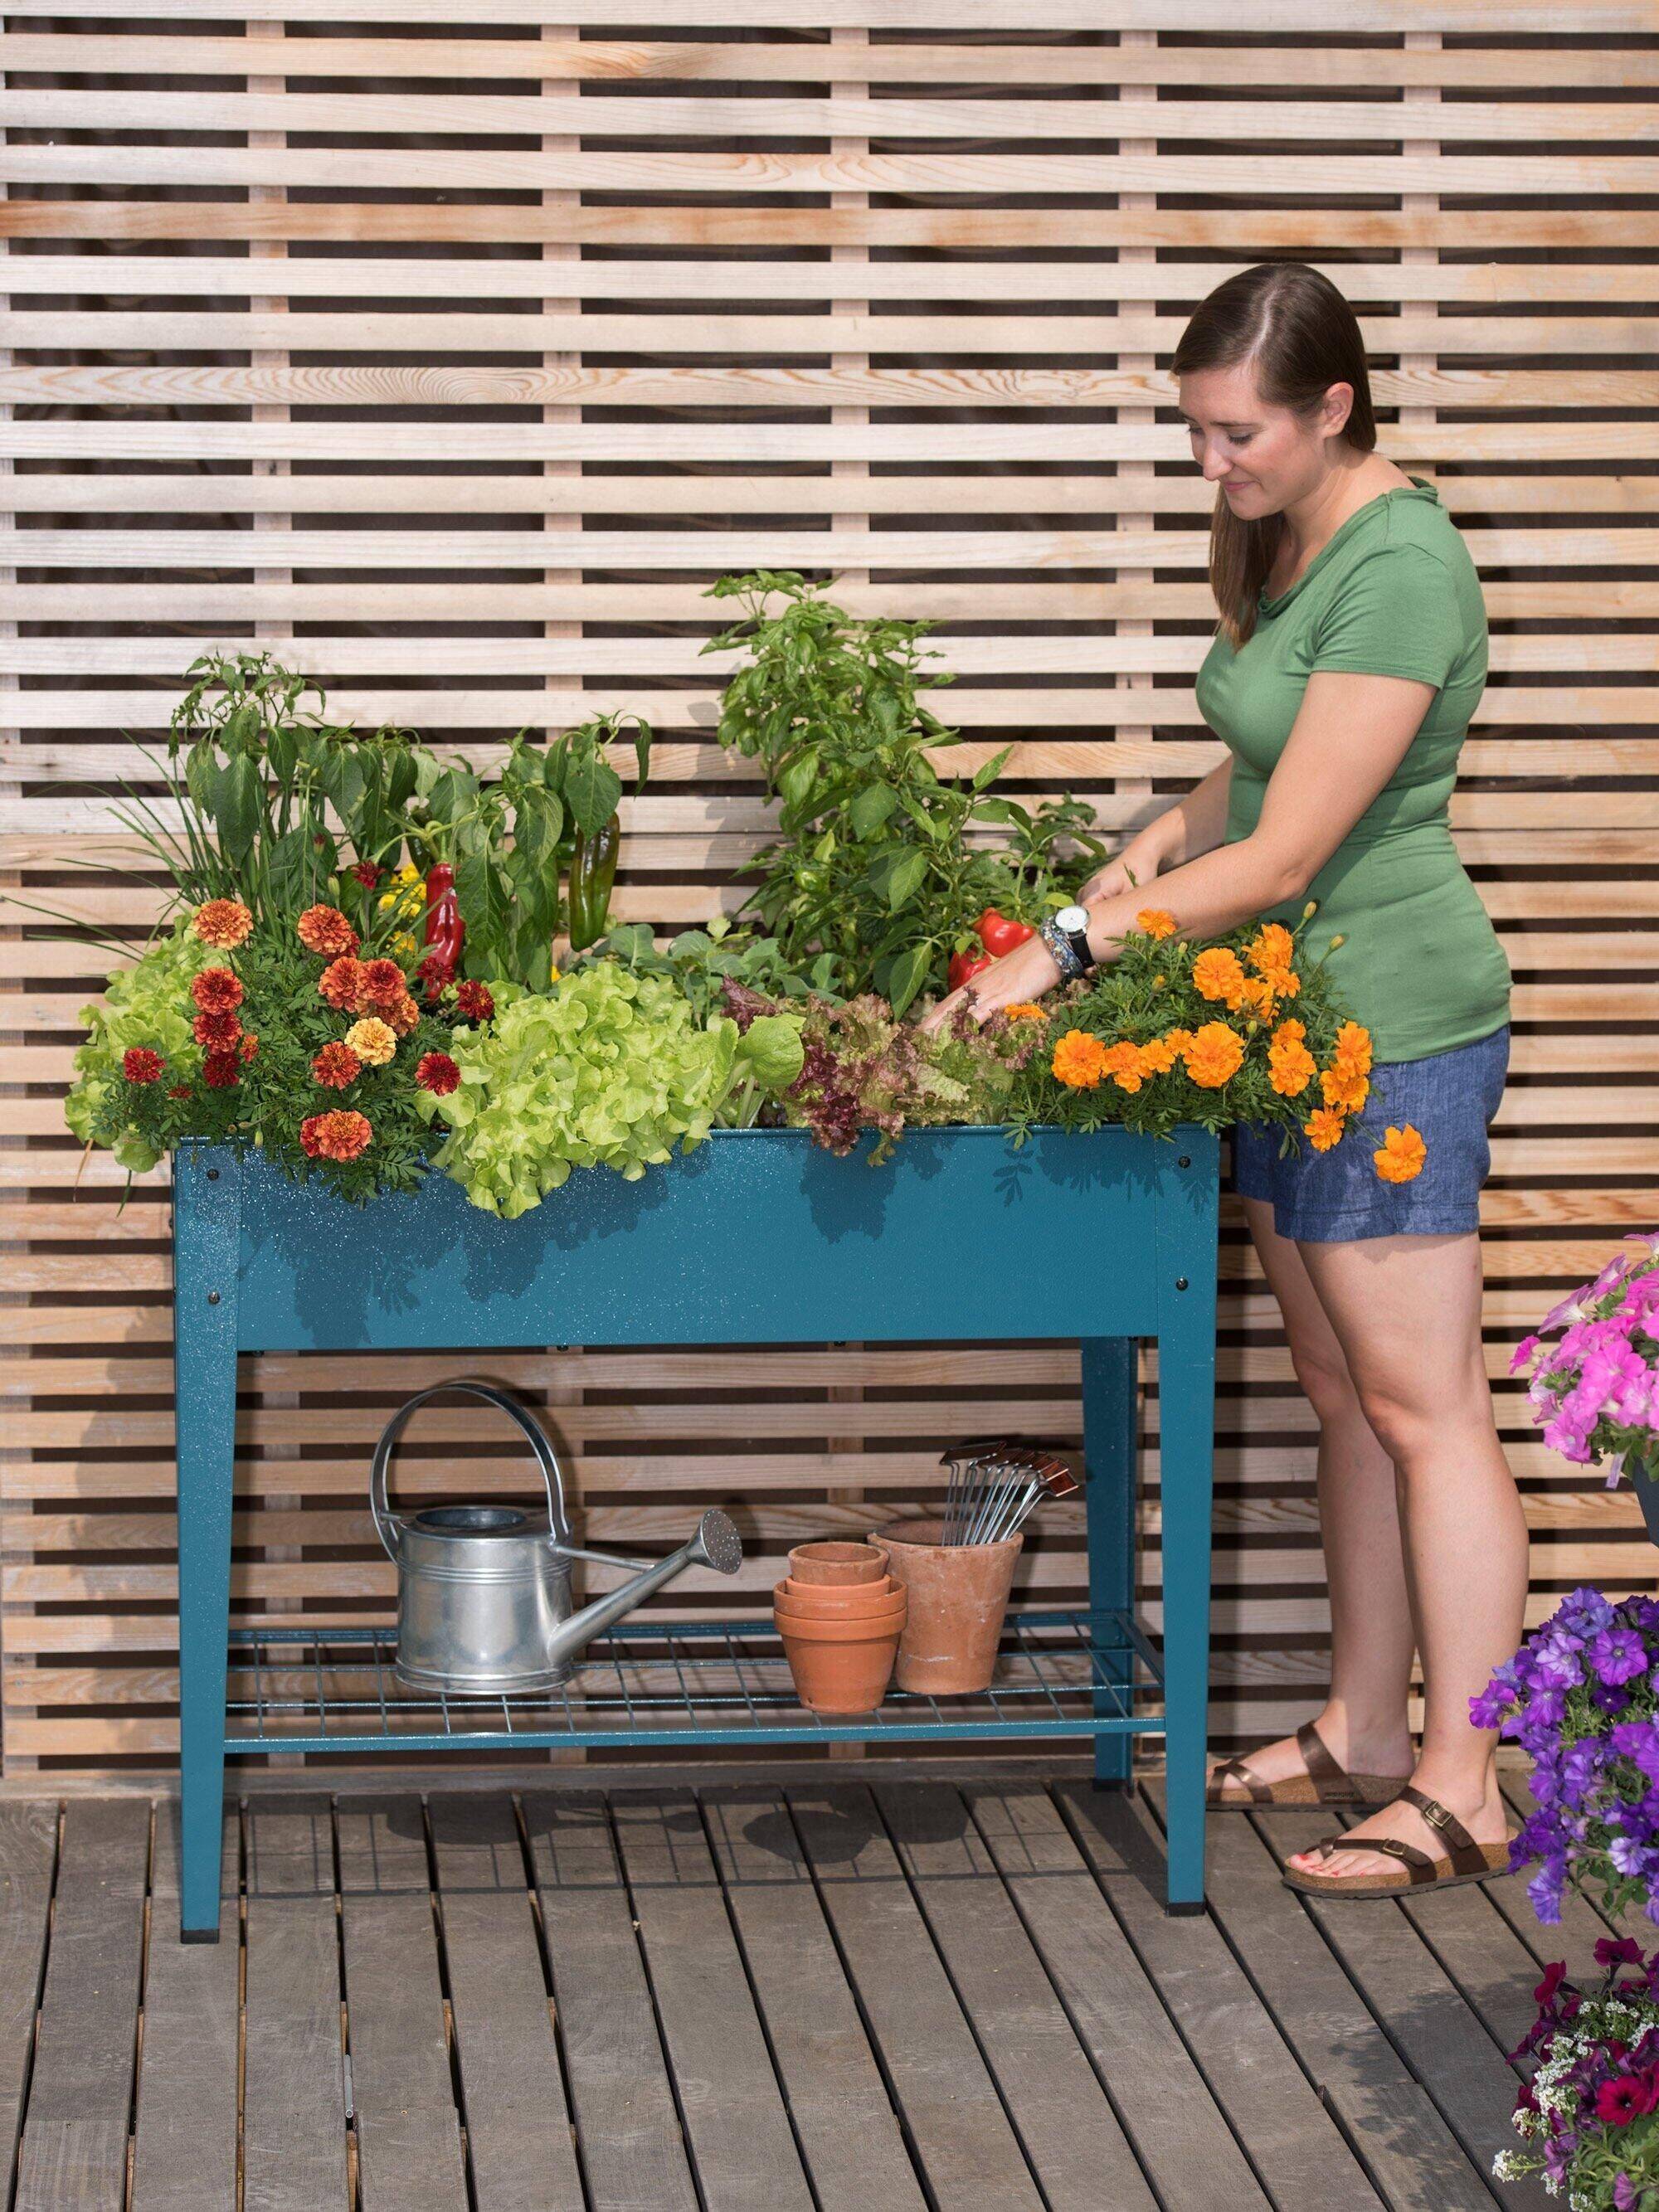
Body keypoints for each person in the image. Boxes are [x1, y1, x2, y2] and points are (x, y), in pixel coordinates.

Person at [921, 260, 1525, 1898]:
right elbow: (1258, 766)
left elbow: (1300, 846)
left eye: (1233, 433)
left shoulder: (1403, 568)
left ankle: (1466, 1781)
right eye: (1194, 432)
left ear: (1331, 408)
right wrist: (1147, 849)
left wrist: (1073, 937)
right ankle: (1362, 1731)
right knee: (1343, 1393)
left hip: (1390, 1027)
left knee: (1427, 1407)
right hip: (1292, 1026)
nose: (1211, 466)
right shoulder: (1303, 535)